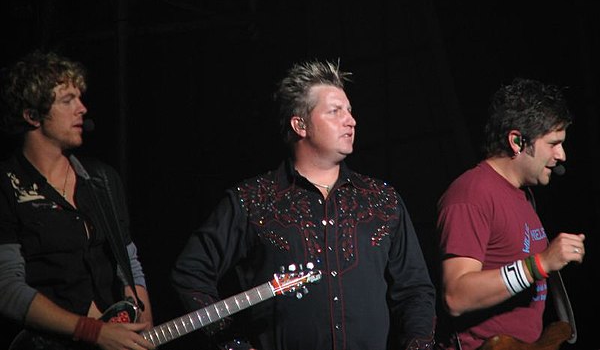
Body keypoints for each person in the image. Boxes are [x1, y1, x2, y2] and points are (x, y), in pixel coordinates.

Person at [171, 60, 436, 350]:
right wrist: (232, 344)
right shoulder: (255, 199)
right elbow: (191, 272)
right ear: (300, 125)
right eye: (335, 112)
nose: (350, 120)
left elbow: (415, 290)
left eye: (349, 110)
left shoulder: (381, 200)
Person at [0, 50, 155, 350]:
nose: (82, 109)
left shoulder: (102, 179)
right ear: (31, 115)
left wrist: (143, 331)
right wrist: (91, 331)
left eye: (80, 98)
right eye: (67, 100)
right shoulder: (6, 185)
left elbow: (129, 263)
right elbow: (6, 288)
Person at [434, 78, 585, 349]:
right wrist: (539, 265)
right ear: (517, 141)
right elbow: (456, 296)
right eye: (553, 143)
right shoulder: (471, 194)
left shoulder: (522, 195)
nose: (561, 155)